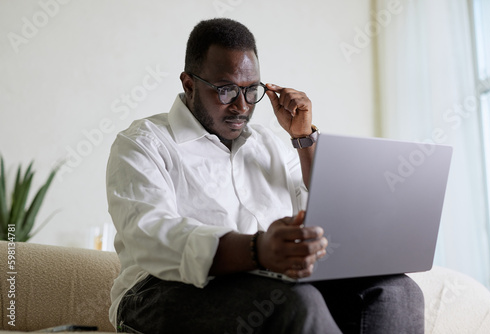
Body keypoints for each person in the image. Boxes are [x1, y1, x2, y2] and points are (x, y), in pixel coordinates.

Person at [106, 18, 424, 334]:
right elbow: (153, 237)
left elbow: (323, 210)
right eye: (227, 90)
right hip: (154, 293)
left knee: (398, 293)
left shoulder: (267, 144)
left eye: (251, 90)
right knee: (295, 302)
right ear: (189, 84)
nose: (242, 106)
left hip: (269, 284)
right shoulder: (144, 142)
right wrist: (259, 249)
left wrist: (303, 138)